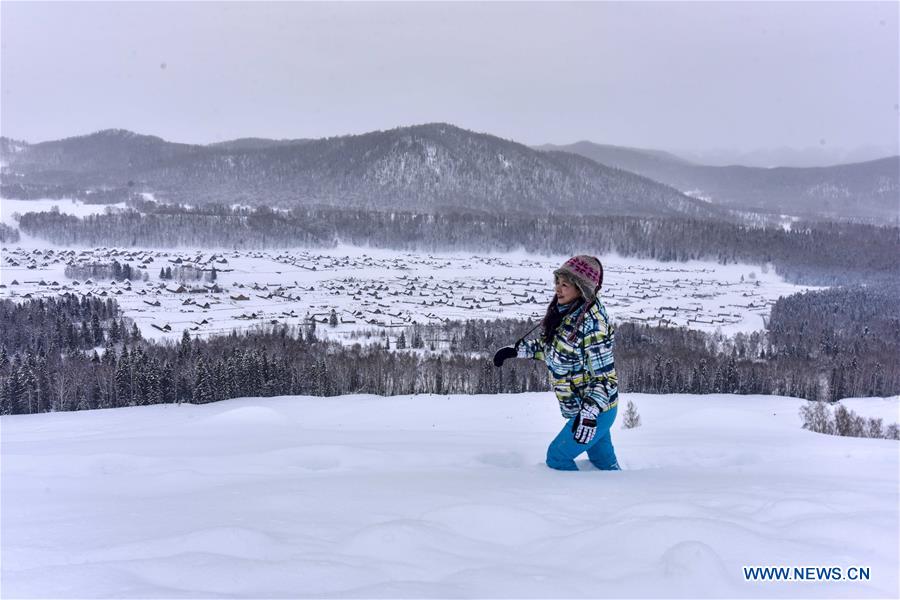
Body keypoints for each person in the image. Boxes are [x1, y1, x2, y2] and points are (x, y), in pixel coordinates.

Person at [493, 255, 621, 471]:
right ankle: (622, 489)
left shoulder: (593, 325)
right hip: (586, 410)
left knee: (557, 456)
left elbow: (605, 379)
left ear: (581, 289)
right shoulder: (567, 314)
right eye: (557, 282)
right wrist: (516, 351)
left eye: (565, 285)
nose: (558, 289)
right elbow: (553, 349)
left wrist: (589, 414)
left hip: (597, 410)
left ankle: (570, 494)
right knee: (603, 463)